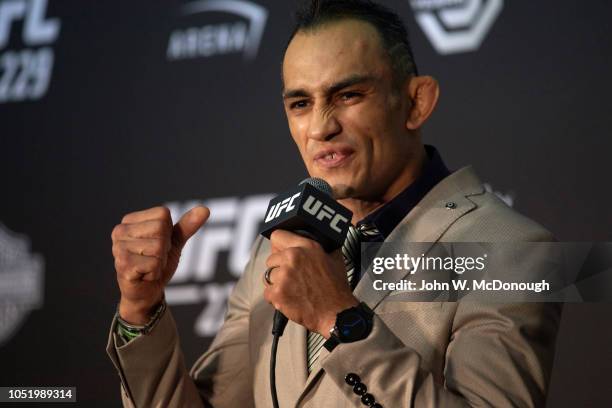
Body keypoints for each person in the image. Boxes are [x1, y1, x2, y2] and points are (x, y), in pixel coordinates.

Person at [107, 1, 561, 406]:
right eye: (301, 103)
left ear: (416, 102)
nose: (321, 127)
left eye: (348, 95)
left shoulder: (513, 248)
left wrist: (339, 319)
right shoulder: (276, 249)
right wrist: (141, 313)